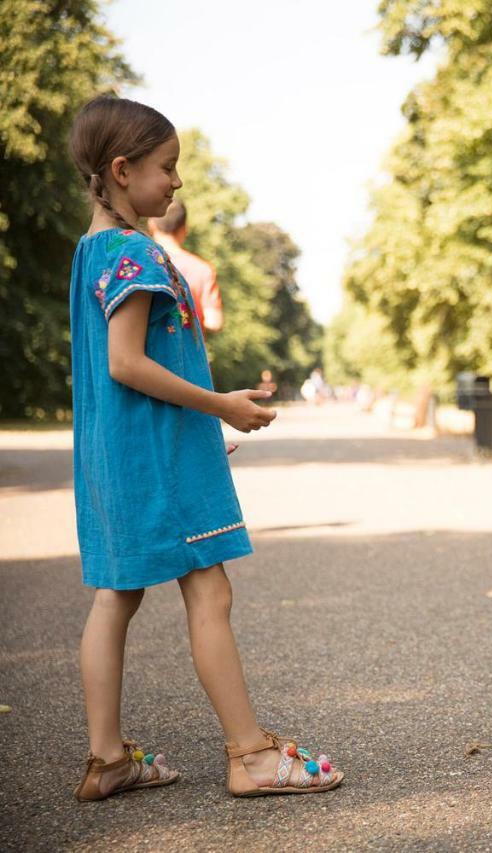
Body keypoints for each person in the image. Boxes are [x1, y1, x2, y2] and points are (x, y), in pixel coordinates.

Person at [66, 94, 343, 801]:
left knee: (115, 596)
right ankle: (249, 753)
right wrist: (220, 408)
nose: (177, 183)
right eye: (168, 168)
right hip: (158, 454)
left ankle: (107, 757)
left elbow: (119, 366)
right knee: (210, 590)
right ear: (122, 171)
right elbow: (128, 363)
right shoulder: (134, 255)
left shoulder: (91, 252)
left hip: (117, 452)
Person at [147, 199, 223, 334]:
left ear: (151, 225)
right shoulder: (202, 269)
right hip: (189, 351)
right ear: (184, 230)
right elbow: (214, 322)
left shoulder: (143, 262)